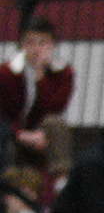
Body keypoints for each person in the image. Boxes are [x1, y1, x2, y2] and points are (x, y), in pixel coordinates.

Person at [1, 19, 73, 172]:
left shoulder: (63, 73)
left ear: (52, 46)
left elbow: (55, 107)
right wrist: (20, 134)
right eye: (31, 43)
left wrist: (41, 78)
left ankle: (61, 179)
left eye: (42, 43)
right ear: (22, 45)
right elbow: (3, 115)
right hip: (13, 132)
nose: (36, 49)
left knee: (56, 123)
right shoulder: (7, 72)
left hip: (41, 131)